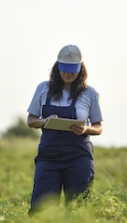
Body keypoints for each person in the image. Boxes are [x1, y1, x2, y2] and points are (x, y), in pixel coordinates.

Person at [27, 45, 103, 214]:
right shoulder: (43, 89)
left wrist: (85, 129)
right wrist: (45, 121)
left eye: (73, 70)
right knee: (41, 209)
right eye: (65, 69)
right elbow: (31, 120)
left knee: (78, 209)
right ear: (58, 67)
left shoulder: (90, 93)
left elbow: (98, 127)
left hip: (78, 157)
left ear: (80, 69)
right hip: (48, 157)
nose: (68, 73)